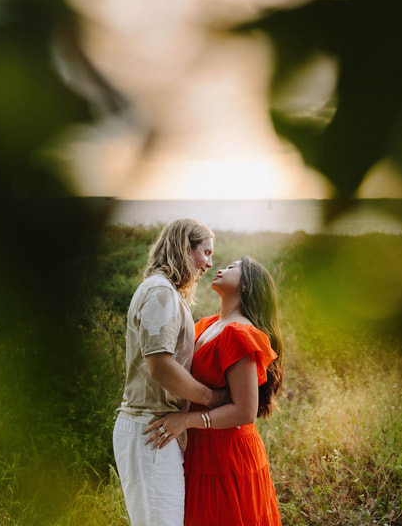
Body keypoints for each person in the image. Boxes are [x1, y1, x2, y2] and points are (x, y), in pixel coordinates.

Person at [145, 255, 283, 526]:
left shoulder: (239, 332)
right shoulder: (208, 325)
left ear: (246, 286)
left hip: (228, 455)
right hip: (203, 447)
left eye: (232, 268)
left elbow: (245, 412)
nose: (221, 268)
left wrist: (186, 421)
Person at [113, 218, 229, 526]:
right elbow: (160, 366)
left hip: (157, 431)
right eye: (206, 252)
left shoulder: (166, 292)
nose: (209, 263)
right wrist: (212, 398)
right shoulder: (160, 292)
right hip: (150, 429)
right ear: (184, 248)